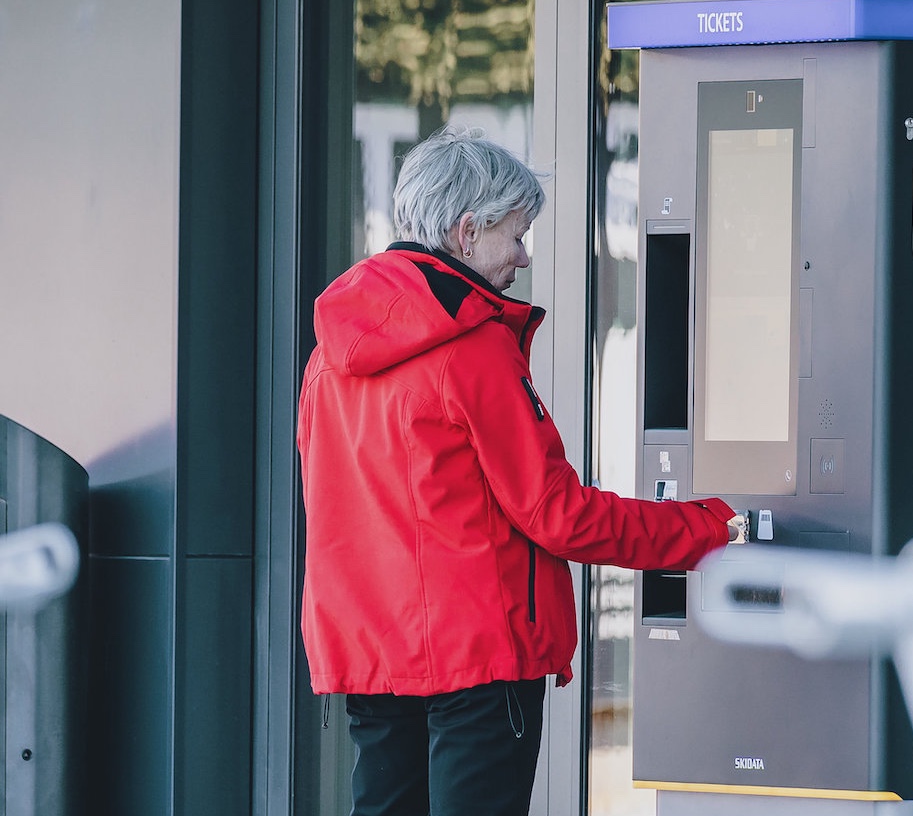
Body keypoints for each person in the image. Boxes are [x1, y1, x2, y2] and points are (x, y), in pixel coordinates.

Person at [297, 126, 741, 816]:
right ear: (467, 232)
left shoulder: (328, 358)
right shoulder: (471, 349)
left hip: (373, 653)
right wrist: (709, 530)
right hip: (475, 661)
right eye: (516, 234)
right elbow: (557, 515)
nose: (523, 257)